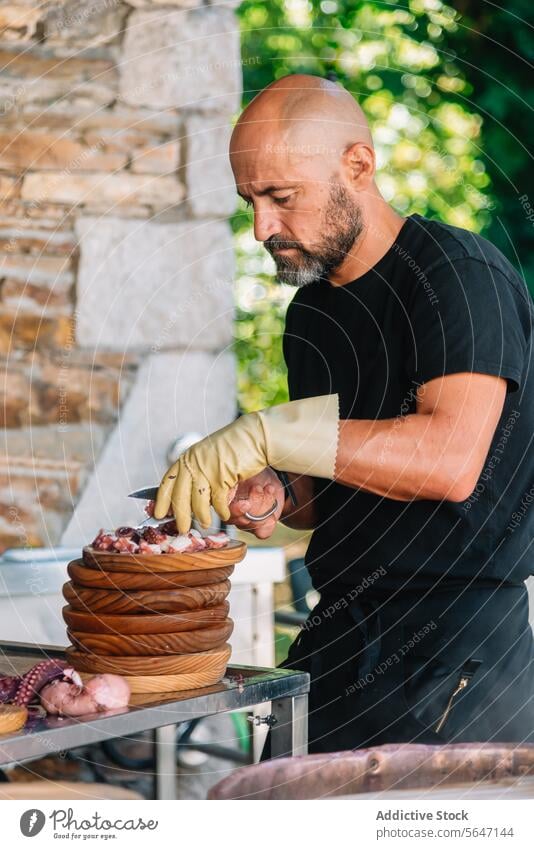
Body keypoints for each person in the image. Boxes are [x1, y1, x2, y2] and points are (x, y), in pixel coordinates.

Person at [155, 75, 534, 753]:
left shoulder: (459, 273)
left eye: (281, 197)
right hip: (336, 644)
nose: (262, 228)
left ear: (357, 165)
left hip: (458, 658)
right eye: (250, 202)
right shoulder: (311, 314)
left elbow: (449, 463)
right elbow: (328, 487)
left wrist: (270, 429)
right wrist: (277, 488)